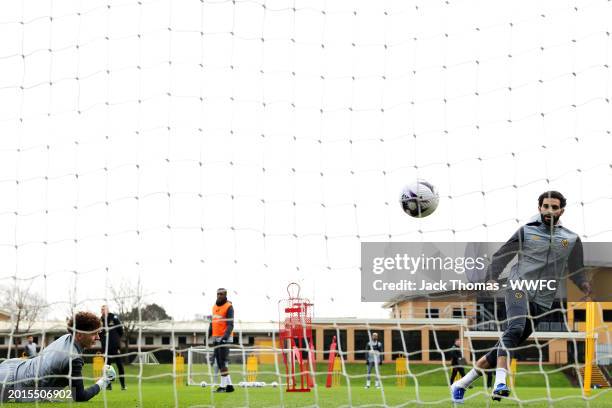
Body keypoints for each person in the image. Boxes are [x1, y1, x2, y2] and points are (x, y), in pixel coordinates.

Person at [450, 191, 592, 403]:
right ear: (539, 208)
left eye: (554, 207)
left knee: (508, 341)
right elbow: (502, 255)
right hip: (518, 287)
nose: (549, 210)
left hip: (543, 301)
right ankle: (500, 382)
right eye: (546, 206)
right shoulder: (526, 231)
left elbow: (576, 268)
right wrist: (491, 277)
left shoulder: (571, 239)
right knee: (514, 328)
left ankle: (461, 384)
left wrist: (583, 284)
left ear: (561, 210)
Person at [0, 311, 116, 402]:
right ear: (80, 335)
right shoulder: (73, 359)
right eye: (94, 333)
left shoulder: (65, 337)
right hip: (10, 383)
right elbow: (80, 396)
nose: (98, 338)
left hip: (12, 366)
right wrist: (104, 381)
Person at [207, 288, 234, 393]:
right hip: (216, 338)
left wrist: (225, 338)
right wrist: (208, 335)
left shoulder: (229, 307)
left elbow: (230, 324)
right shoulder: (214, 307)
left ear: (225, 295)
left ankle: (222, 387)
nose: (219, 295)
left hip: (224, 338)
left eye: (221, 294)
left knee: (222, 362)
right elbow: (212, 323)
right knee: (219, 362)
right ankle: (230, 386)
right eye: (218, 294)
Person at [100, 305, 126, 390]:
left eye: (104, 309)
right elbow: (99, 333)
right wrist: (103, 341)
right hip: (106, 348)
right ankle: (108, 385)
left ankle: (123, 385)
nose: (102, 311)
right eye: (101, 310)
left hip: (115, 347)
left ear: (108, 310)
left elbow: (120, 331)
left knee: (120, 366)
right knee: (107, 368)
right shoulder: (100, 320)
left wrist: (116, 340)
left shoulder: (114, 318)